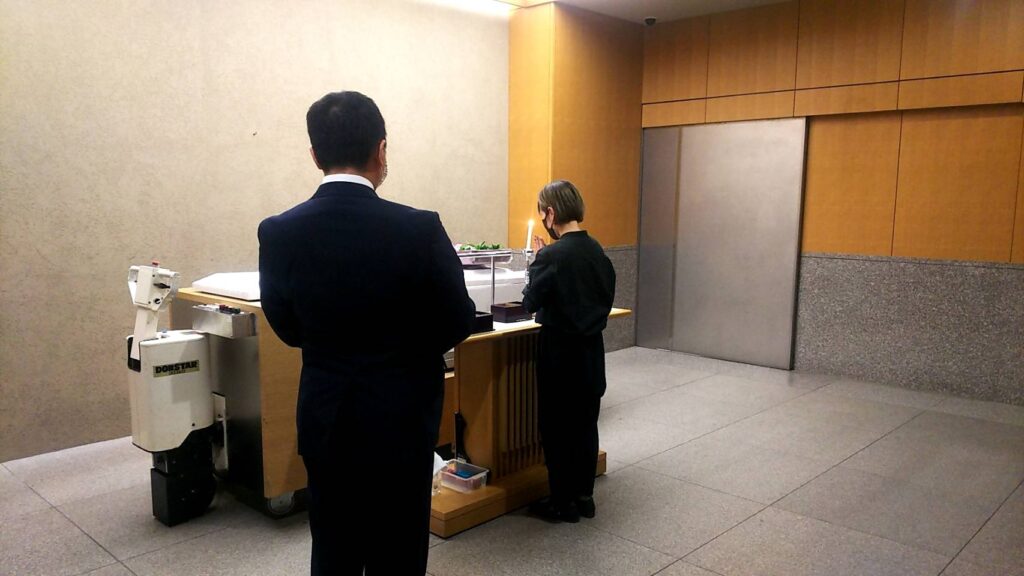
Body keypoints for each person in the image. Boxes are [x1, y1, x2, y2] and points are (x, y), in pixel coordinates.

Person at [258, 91, 476, 575]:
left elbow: (286, 327)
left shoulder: (278, 232)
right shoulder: (419, 228)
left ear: (314, 155)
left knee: (332, 544)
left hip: (326, 413)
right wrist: (407, 349)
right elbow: (459, 319)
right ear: (381, 150)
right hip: (404, 414)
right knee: (399, 548)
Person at [522, 180, 616, 523]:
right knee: (585, 425)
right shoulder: (596, 249)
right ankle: (584, 497)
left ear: (550, 213)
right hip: (591, 351)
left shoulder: (551, 255)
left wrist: (537, 261)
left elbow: (531, 301)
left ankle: (562, 503)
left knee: (557, 428)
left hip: (559, 353)